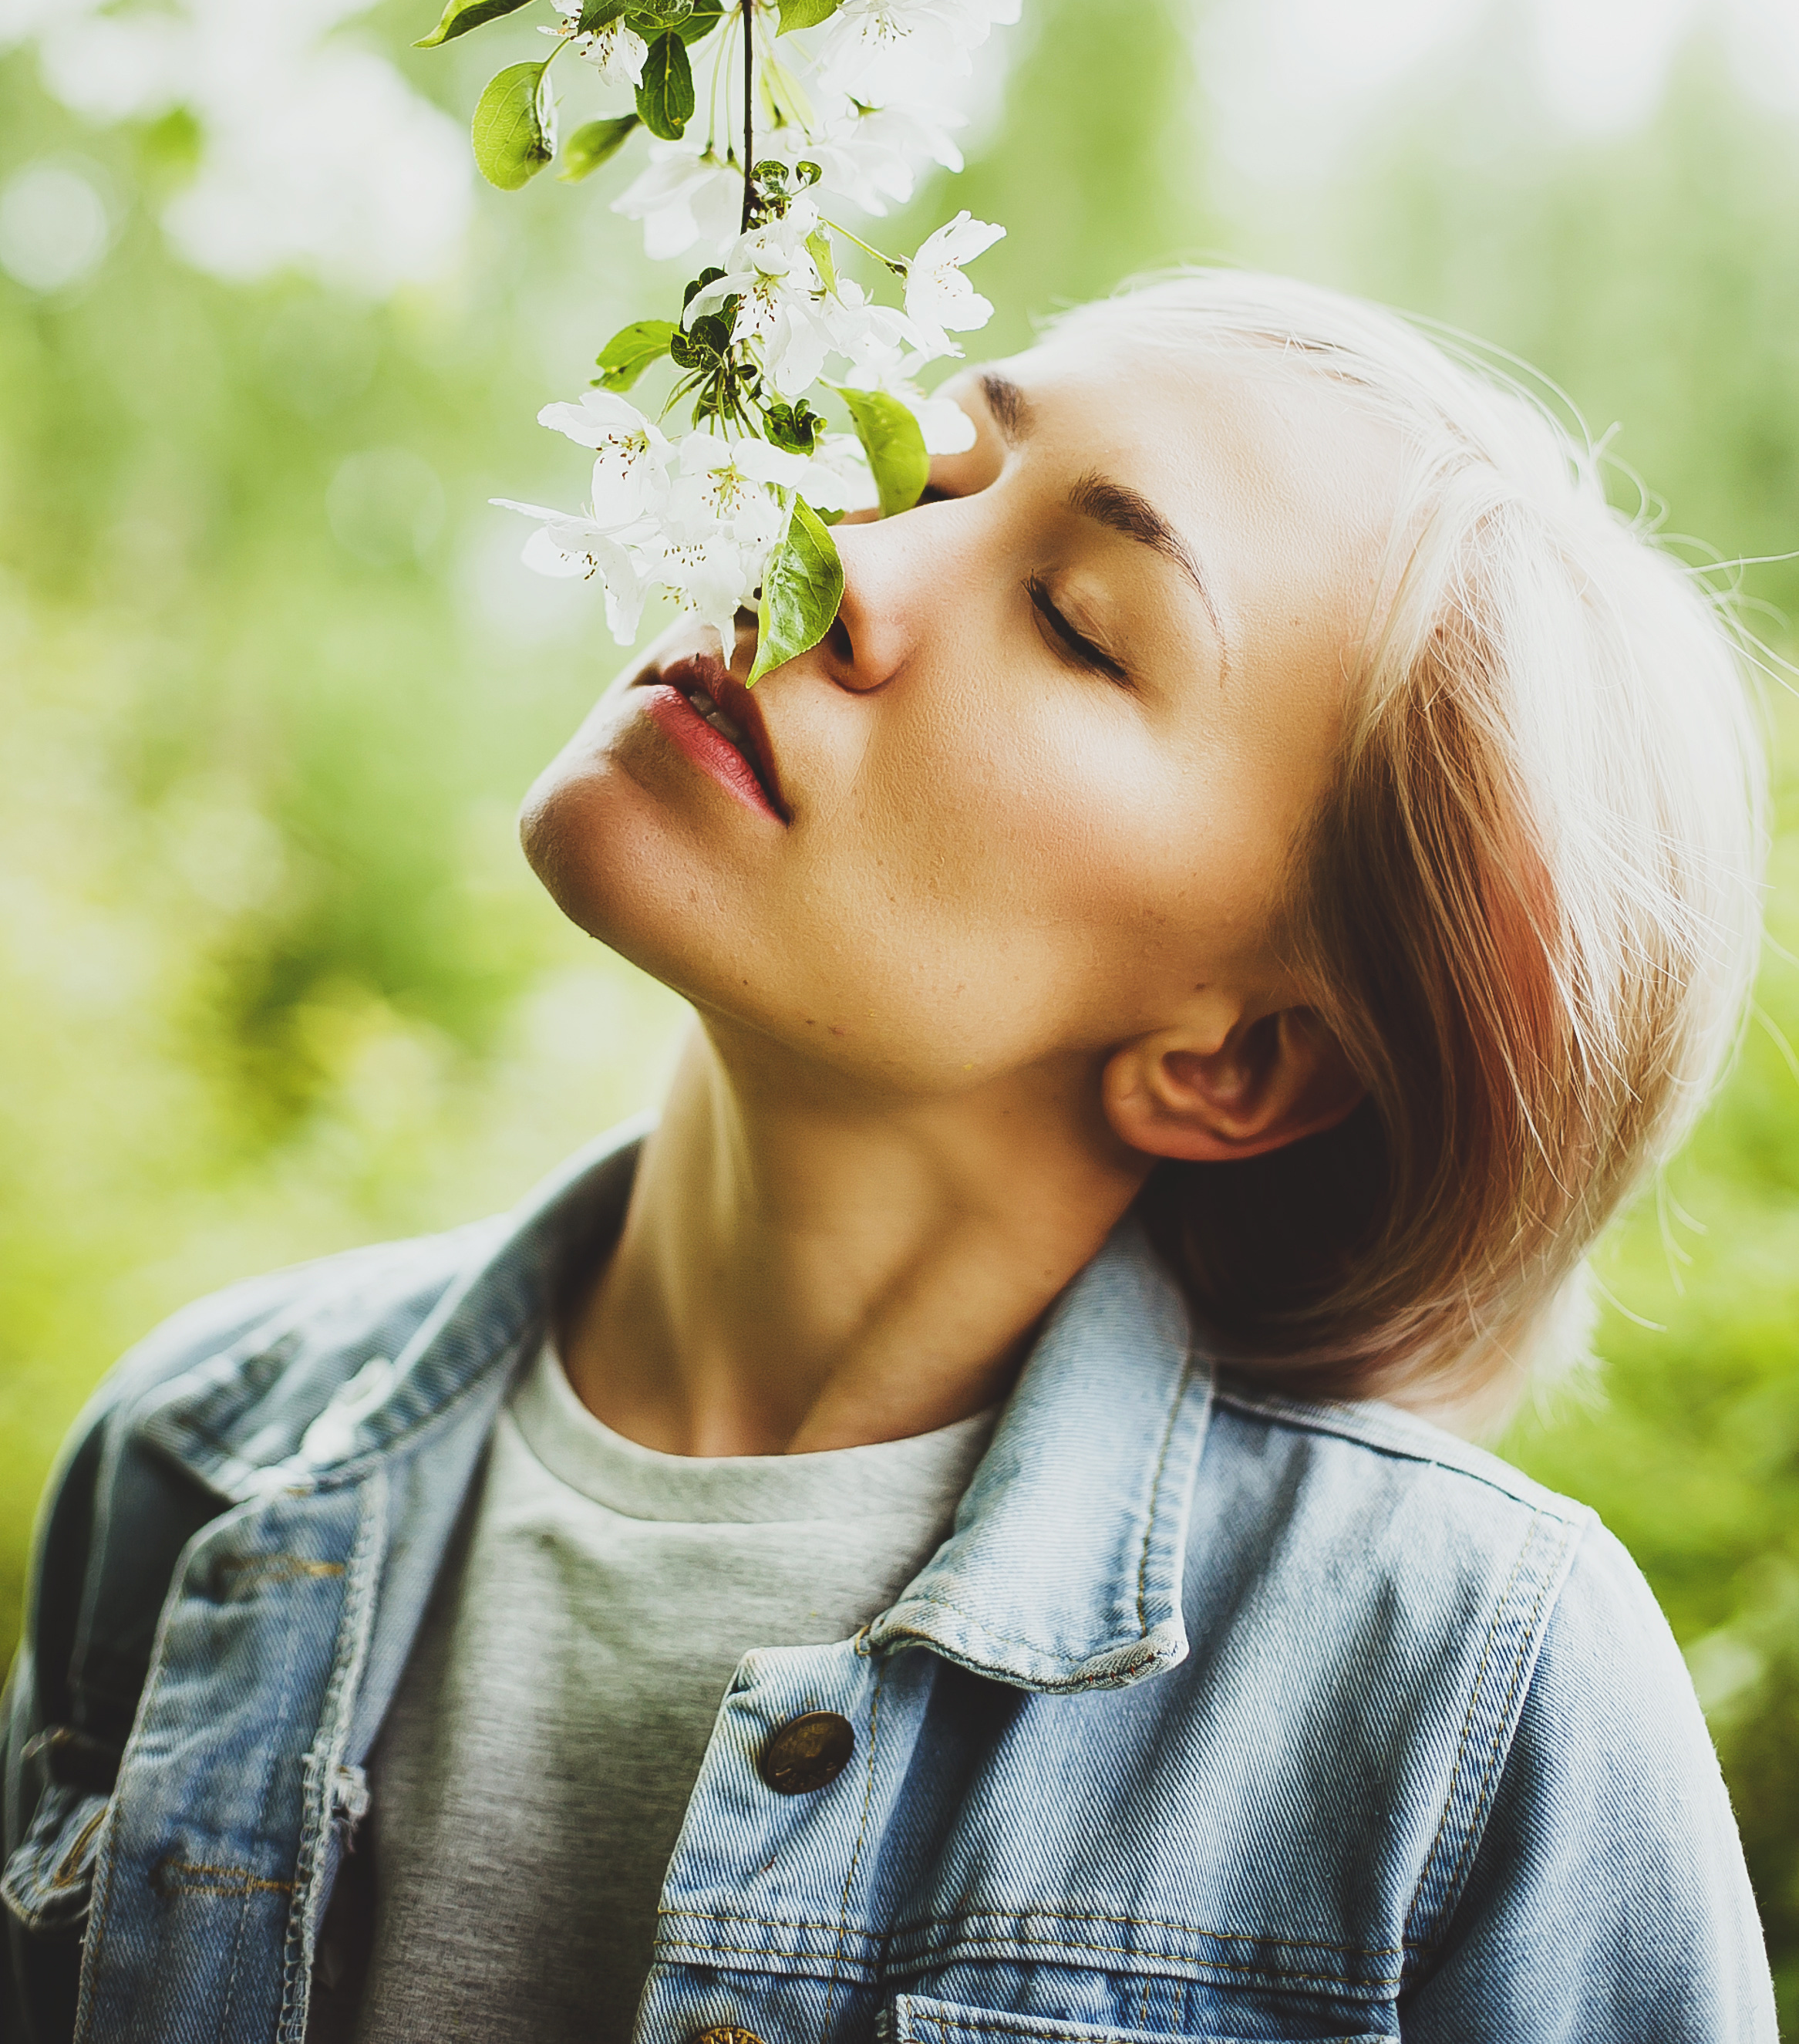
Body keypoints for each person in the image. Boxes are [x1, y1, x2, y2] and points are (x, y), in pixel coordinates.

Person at [1, 270, 1778, 2044]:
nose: (837, 558)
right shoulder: (202, 1460)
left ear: (1233, 1059)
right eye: (925, 466)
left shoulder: (1466, 1700)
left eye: (1081, 623)